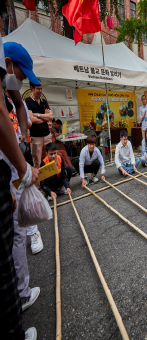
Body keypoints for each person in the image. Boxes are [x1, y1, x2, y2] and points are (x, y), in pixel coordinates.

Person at [0, 35, 39, 340]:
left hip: (10, 163)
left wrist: (25, 136)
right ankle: (21, 294)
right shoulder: (3, 69)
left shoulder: (8, 84)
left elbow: (20, 109)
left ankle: (20, 292)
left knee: (17, 229)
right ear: (9, 65)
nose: (23, 82)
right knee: (15, 231)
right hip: (5, 166)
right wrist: (24, 169)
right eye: (21, 74)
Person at [25, 81, 53, 168]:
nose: (40, 91)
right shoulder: (27, 101)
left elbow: (51, 117)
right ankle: (38, 182)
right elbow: (32, 120)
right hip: (35, 137)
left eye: (41, 88)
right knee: (37, 162)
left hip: (47, 135)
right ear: (32, 88)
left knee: (52, 159)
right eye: (38, 89)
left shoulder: (44, 101)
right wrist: (45, 117)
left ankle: (52, 180)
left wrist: (37, 115)